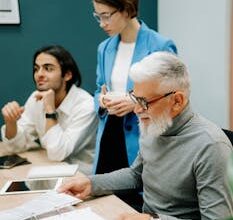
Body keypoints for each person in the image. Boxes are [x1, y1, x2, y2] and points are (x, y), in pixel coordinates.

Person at [59, 52, 233, 220]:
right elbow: (136, 175)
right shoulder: (155, 125)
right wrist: (91, 184)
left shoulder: (211, 146)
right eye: (135, 98)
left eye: (144, 102)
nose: (136, 110)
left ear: (177, 101)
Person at [92, 0, 177, 174]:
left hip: (142, 135)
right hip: (110, 133)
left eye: (106, 16)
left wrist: (135, 102)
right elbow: (98, 89)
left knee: (136, 196)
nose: (102, 23)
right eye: (98, 16)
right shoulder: (104, 48)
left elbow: (173, 95)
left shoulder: (160, 45)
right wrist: (101, 100)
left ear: (126, 9)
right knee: (104, 192)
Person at [1, 45, 98, 175]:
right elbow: (15, 147)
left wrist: (50, 110)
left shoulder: (86, 106)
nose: (39, 74)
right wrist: (11, 122)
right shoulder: (35, 98)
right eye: (36, 69)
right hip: (47, 173)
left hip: (81, 179)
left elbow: (58, 153)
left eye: (48, 68)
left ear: (68, 75)